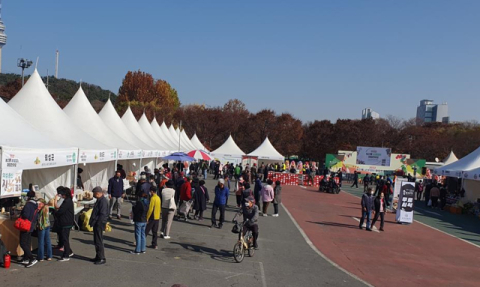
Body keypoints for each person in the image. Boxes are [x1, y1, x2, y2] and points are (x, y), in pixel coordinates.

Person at [19, 191, 40, 268]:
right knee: (27, 242)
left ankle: (31, 258)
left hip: (25, 225)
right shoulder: (35, 204)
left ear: (28, 197)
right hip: (31, 225)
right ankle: (25, 258)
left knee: (23, 243)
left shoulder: (28, 205)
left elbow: (25, 215)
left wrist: (21, 214)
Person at [89, 186, 108, 265]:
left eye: (94, 193)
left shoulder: (103, 201)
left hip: (99, 223)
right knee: (96, 240)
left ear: (98, 193)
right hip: (97, 223)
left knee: (98, 241)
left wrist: (97, 222)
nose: (93, 195)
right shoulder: (99, 200)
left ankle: (101, 258)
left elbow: (102, 214)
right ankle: (98, 256)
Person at [55, 187, 74, 262]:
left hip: (66, 222)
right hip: (67, 222)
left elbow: (60, 211)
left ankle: (66, 255)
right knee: (64, 238)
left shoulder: (67, 201)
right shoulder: (68, 200)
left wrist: (55, 212)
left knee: (65, 239)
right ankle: (69, 251)